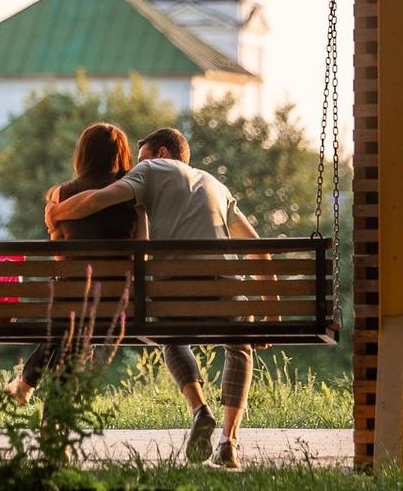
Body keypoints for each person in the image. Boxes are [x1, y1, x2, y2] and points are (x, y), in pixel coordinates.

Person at [45, 127, 265, 470]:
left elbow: (98, 199)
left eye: (142, 158)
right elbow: (258, 252)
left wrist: (58, 212)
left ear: (162, 154)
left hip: (174, 293)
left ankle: (199, 409)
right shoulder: (217, 185)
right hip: (228, 293)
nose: (134, 168)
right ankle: (229, 441)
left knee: (168, 334)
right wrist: (271, 310)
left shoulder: (149, 171)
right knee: (240, 344)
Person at [4, 122, 138, 404]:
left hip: (74, 300)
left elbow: (60, 257)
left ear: (83, 155)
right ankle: (32, 388)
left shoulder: (62, 194)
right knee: (75, 329)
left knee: (71, 317)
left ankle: (28, 385)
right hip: (119, 304)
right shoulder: (132, 193)